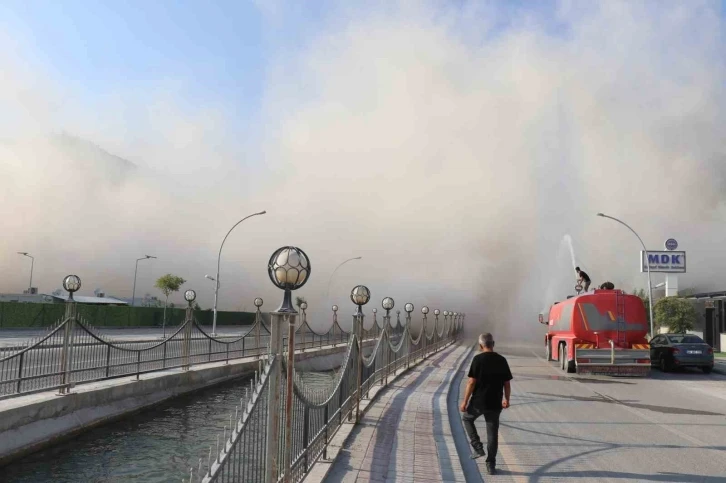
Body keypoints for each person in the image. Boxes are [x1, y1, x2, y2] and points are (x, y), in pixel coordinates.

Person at [460, 333, 512, 475]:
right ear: (493, 343)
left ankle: (477, 447)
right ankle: (491, 465)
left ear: (481, 345)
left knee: (467, 418)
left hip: (478, 402)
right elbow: (507, 383)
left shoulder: (477, 359)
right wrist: (506, 399)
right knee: (492, 434)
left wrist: (464, 401)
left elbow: (471, 382)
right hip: (495, 403)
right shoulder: (502, 360)